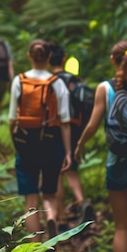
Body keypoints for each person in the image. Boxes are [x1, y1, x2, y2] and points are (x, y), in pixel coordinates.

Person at [75, 40, 127, 252]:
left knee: (121, 226)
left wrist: (80, 144)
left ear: (113, 60)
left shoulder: (105, 89)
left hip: (117, 160)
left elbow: (93, 124)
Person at [7, 39, 72, 242]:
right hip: (51, 142)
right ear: (48, 58)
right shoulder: (57, 83)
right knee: (50, 193)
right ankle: (51, 217)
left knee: (31, 198)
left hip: (26, 142)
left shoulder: (19, 81)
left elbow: (11, 120)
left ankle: (36, 244)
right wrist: (68, 151)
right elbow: (65, 121)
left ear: (29, 56)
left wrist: (16, 142)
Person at [48, 42, 93, 231]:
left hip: (53, 129)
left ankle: (60, 217)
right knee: (71, 168)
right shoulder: (75, 80)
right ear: (64, 59)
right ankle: (82, 201)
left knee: (57, 173)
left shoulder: (47, 81)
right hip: (74, 129)